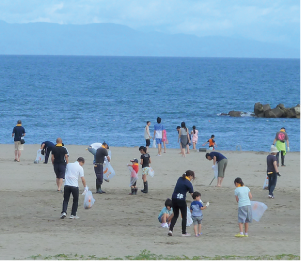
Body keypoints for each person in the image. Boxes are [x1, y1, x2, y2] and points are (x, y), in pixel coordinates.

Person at [168, 170, 195, 237]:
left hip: (174, 198)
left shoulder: (180, 179)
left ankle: (170, 230)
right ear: (190, 176)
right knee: (184, 216)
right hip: (181, 200)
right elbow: (192, 195)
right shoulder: (189, 183)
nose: (192, 179)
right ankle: (183, 232)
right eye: (192, 177)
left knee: (175, 215)